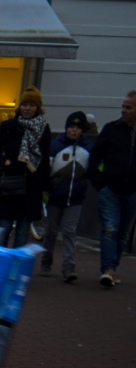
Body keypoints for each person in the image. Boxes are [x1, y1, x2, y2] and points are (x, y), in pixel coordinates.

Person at [0, 87, 52, 248]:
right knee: (4, 228)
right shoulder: (8, 126)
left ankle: (14, 270)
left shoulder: (44, 128)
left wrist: (44, 187)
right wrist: (4, 162)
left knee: (23, 231)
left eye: (31, 105)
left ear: (38, 107)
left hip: (31, 186)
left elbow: (44, 159)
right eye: (24, 104)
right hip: (10, 184)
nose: (27, 108)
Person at [87, 90, 136, 288]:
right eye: (123, 106)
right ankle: (108, 270)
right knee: (110, 229)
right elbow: (95, 156)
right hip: (110, 190)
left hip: (132, 191)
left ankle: (113, 267)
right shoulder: (111, 129)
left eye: (128, 107)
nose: (123, 110)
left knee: (122, 233)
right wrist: (100, 183)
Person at [41, 111, 92, 283]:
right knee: (51, 231)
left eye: (78, 128)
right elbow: (47, 170)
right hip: (56, 195)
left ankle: (68, 267)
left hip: (76, 197)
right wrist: (46, 189)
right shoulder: (56, 146)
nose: (74, 130)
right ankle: (46, 262)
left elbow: (89, 171)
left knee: (70, 231)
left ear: (83, 130)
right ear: (66, 128)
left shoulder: (87, 148)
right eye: (71, 127)